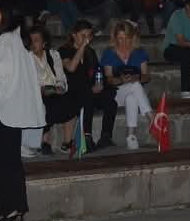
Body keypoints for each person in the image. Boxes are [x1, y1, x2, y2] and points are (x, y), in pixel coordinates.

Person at [0, 0, 45, 221]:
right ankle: (17, 207)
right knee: (13, 161)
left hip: (2, 108)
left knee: (1, 162)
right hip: (15, 109)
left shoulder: (5, 39)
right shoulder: (21, 39)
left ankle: (7, 210)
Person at [59, 20, 113, 151]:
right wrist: (82, 47)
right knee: (87, 95)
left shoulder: (91, 53)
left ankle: (106, 136)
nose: (86, 39)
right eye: (83, 35)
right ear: (74, 35)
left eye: (89, 36)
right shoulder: (64, 50)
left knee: (110, 100)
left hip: (88, 90)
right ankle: (86, 137)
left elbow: (96, 73)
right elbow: (71, 68)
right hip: (72, 92)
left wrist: (99, 84)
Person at [100, 21, 154, 150]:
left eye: (126, 38)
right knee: (135, 86)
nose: (123, 42)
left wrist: (137, 77)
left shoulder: (139, 52)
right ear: (115, 38)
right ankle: (153, 118)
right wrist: (121, 80)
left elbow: (147, 76)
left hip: (132, 91)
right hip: (116, 93)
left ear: (132, 37)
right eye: (120, 38)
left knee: (132, 96)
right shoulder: (109, 53)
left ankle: (131, 136)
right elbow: (108, 79)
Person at [27, 25, 69, 156]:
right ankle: (44, 140)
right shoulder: (26, 58)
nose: (33, 43)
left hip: (54, 91)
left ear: (44, 43)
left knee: (69, 99)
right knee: (46, 102)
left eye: (36, 40)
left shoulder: (53, 55)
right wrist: (42, 90)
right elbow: (29, 82)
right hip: (36, 93)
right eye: (31, 40)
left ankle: (64, 141)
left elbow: (61, 77)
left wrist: (60, 87)